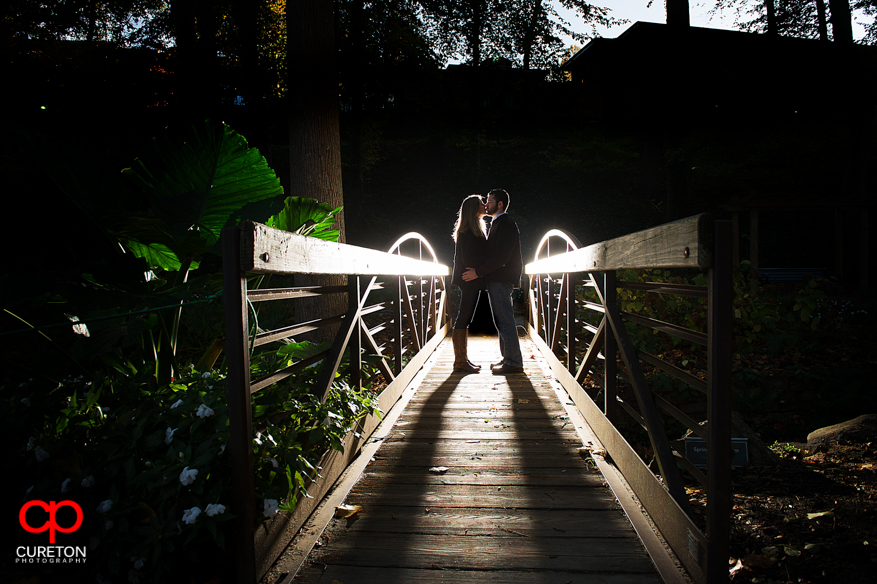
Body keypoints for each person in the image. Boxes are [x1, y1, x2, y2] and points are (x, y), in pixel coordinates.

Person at [462, 189, 524, 374]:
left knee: (504, 320)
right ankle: (508, 358)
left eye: (489, 201)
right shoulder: (498, 223)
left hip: (501, 278)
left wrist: (478, 273)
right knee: (501, 320)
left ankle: (513, 361)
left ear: (500, 204)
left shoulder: (506, 224)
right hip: (497, 278)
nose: (486, 204)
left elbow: (501, 258)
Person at [450, 194, 488, 373]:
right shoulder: (468, 232)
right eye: (481, 203)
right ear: (474, 209)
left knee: (466, 316)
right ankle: (459, 362)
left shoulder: (470, 230)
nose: (485, 205)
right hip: (470, 278)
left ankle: (462, 359)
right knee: (464, 316)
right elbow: (468, 258)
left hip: (468, 277)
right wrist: (486, 263)